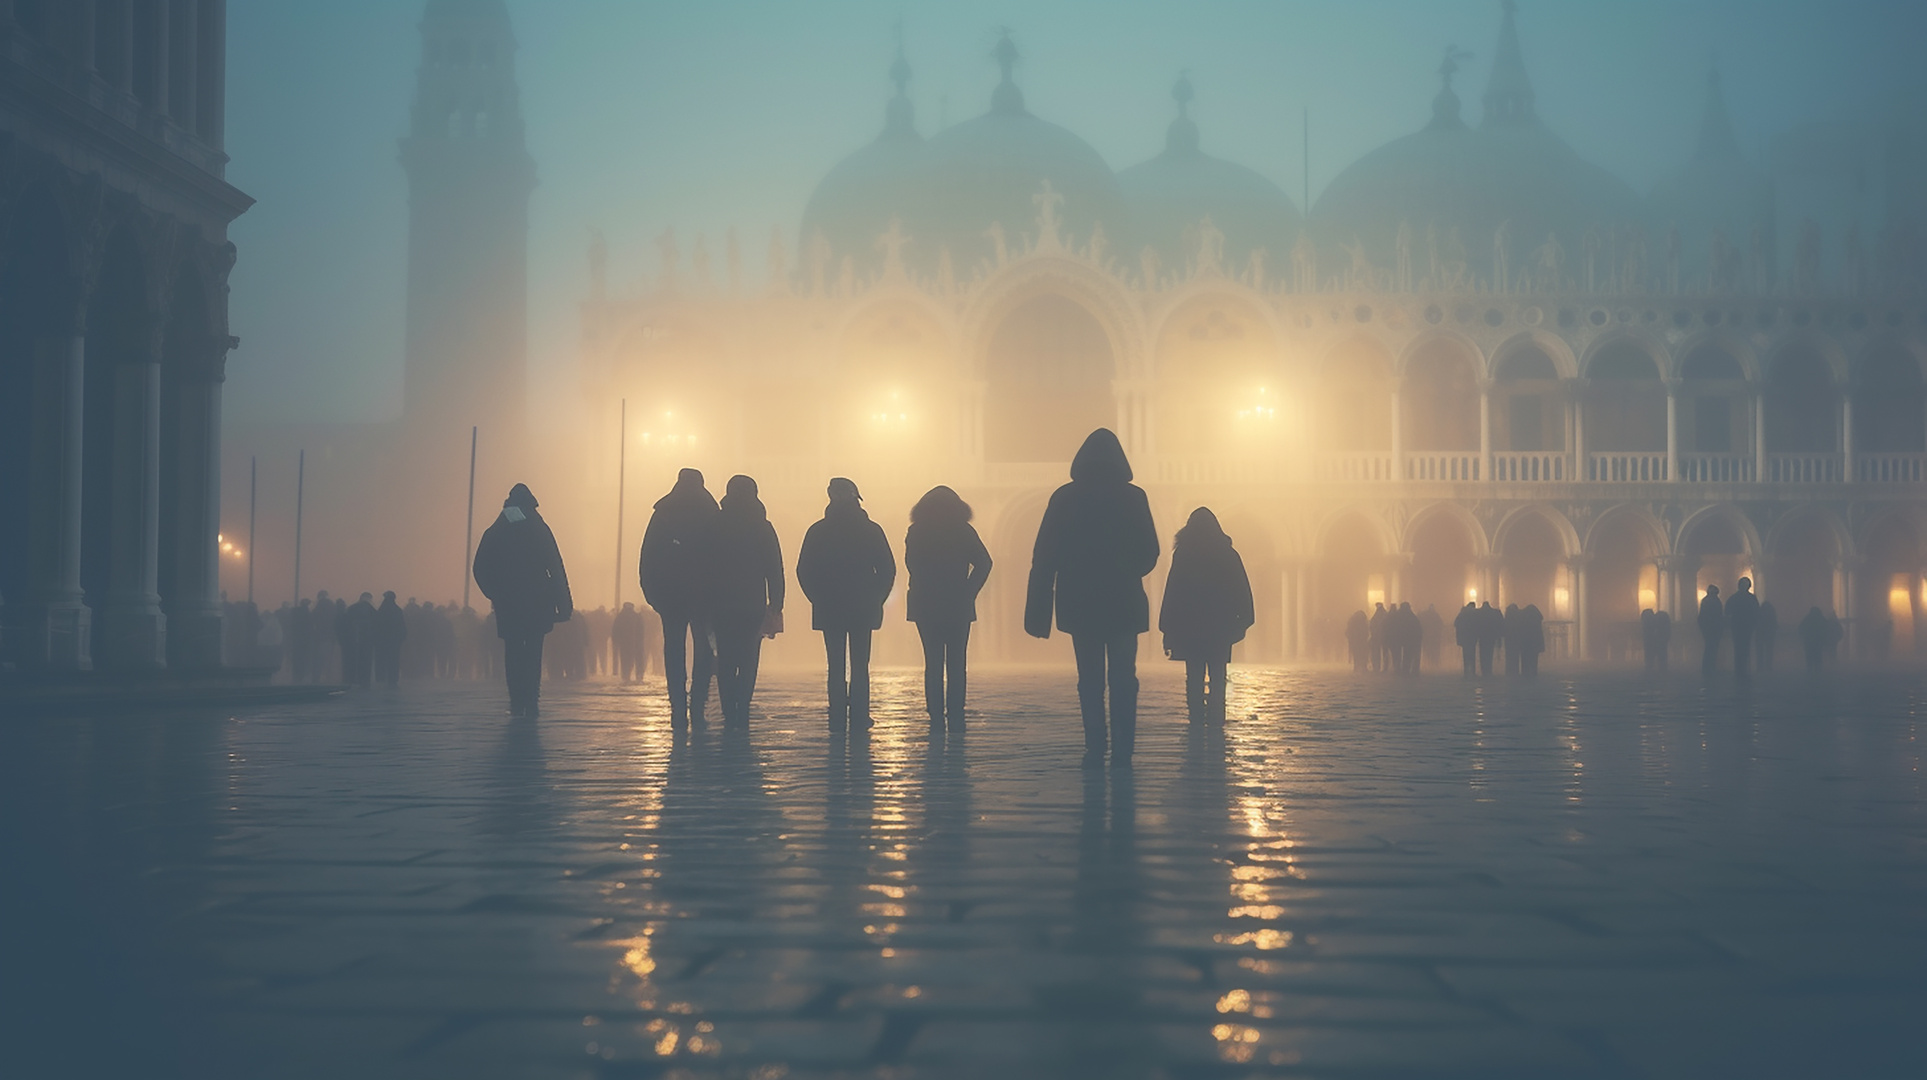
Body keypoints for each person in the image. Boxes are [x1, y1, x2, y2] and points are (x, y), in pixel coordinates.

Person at [1026, 429, 1160, 765]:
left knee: (1089, 679)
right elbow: (1151, 551)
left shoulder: (1065, 498)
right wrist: (1125, 571)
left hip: (1079, 601)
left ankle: (1096, 743)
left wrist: (1040, 607)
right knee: (1124, 677)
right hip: (1123, 601)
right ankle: (1124, 747)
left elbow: (1044, 554)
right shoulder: (1133, 497)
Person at [798, 477, 897, 733]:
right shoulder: (871, 530)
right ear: (856, 498)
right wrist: (877, 599)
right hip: (863, 607)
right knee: (860, 665)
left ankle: (837, 716)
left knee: (835, 665)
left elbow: (804, 571)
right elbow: (887, 570)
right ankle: (861, 716)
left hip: (830, 607)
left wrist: (818, 598)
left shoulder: (817, 530)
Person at [472, 483, 573, 719]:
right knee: (533, 652)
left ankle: (516, 699)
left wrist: (495, 593)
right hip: (537, 600)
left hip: (508, 603)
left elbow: (480, 568)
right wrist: (564, 602)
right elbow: (556, 567)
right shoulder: (538, 528)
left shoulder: (496, 530)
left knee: (513, 651)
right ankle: (531, 699)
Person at [904, 485, 992, 730]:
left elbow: (912, 564)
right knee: (956, 662)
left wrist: (926, 585)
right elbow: (984, 562)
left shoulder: (916, 532)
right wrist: (968, 590)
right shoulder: (963, 531)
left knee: (932, 662)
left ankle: (934, 712)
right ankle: (956, 710)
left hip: (926, 604)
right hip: (957, 603)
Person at [639, 468, 719, 729]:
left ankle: (677, 708)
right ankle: (698, 706)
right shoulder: (712, 513)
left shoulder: (663, 513)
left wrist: (652, 594)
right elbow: (723, 557)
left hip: (669, 595)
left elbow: (647, 557)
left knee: (673, 649)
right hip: (704, 594)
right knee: (704, 649)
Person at [1159, 508, 1254, 722]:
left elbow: (1173, 591)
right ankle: (1216, 716)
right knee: (1218, 673)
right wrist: (1244, 621)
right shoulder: (1228, 554)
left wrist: (1167, 627)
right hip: (1219, 627)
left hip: (1190, 627)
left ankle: (1196, 715)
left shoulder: (1183, 554)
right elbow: (1241, 589)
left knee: (1194, 674)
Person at [708, 475, 785, 726]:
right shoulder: (762, 526)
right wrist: (776, 604)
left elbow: (703, 564)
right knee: (749, 656)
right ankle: (743, 704)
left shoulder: (715, 523)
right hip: (752, 603)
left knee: (726, 658)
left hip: (720, 603)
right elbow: (775, 569)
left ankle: (729, 707)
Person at [1726, 577, 1760, 677]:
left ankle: (1740, 668)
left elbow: (1727, 611)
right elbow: (1756, 612)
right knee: (1744, 647)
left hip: (1738, 626)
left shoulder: (1734, 598)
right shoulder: (1751, 598)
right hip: (1745, 627)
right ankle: (1742, 668)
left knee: (1739, 648)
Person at [373, 591, 407, 688]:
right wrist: (401, 638)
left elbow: (376, 626)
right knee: (393, 660)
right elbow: (402, 626)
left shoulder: (381, 610)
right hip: (394, 641)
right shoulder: (397, 610)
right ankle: (393, 679)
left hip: (382, 640)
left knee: (381, 660)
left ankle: (381, 678)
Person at [342, 592, 377, 688]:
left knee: (353, 659)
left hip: (353, 639)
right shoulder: (371, 610)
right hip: (367, 640)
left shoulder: (352, 608)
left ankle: (351, 678)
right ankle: (364, 679)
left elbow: (346, 623)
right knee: (366, 660)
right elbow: (377, 624)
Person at [612, 602, 645, 682]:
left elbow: (615, 630)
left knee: (626, 660)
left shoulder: (620, 617)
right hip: (635, 643)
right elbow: (641, 630)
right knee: (638, 660)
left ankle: (626, 676)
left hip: (625, 643)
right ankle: (638, 676)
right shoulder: (636, 616)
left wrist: (616, 641)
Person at [1697, 584, 1725, 675]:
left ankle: (1708, 668)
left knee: (1709, 648)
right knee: (1712, 649)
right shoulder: (1715, 601)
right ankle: (1710, 668)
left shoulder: (1705, 601)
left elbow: (1701, 617)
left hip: (1708, 629)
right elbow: (1718, 616)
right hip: (1714, 628)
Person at [1798, 606, 1830, 671]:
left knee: (1809, 655)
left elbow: (1801, 628)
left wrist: (1803, 635)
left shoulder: (1808, 618)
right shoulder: (1821, 618)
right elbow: (1827, 628)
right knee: (1818, 654)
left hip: (1808, 640)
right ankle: (1818, 669)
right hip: (1818, 641)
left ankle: (1810, 669)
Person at [1475, 601, 1502, 675]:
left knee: (1482, 654)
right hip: (1491, 637)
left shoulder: (1478, 613)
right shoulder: (1494, 613)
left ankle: (1484, 670)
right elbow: (1499, 624)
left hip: (1482, 637)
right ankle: (1489, 670)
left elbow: (1475, 625)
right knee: (1489, 653)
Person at [1519, 604, 1545, 675]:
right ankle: (1533, 672)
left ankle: (1525, 672)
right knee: (1534, 659)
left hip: (1525, 642)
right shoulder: (1537, 620)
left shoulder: (1523, 619)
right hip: (1535, 643)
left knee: (1525, 658)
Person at [1454, 602, 1478, 675]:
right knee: (1472, 655)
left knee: (1466, 655)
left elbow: (1456, 623)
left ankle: (1466, 672)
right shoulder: (1474, 614)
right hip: (1472, 637)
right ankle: (1473, 672)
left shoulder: (1462, 613)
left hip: (1464, 637)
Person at [1756, 600, 1779, 672]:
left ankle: (1760, 666)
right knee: (1769, 650)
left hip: (1761, 632)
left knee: (1760, 650)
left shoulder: (1760, 611)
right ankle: (1768, 666)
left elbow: (1757, 621)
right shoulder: (1771, 612)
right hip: (1770, 633)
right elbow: (1774, 622)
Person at [1420, 604, 1444, 668]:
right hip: (1434, 637)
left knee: (1429, 650)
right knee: (1434, 651)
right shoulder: (1436, 615)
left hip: (1429, 637)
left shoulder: (1425, 616)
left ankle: (1429, 662)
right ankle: (1434, 662)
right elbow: (1440, 624)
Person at [1367, 602, 1388, 673]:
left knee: (1377, 652)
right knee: (1384, 652)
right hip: (1384, 637)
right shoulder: (1386, 615)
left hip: (1377, 637)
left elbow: (1372, 625)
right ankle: (1385, 667)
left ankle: (1377, 666)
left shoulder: (1376, 616)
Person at [1502, 603, 1523, 675]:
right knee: (1515, 655)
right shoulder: (1518, 618)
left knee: (1509, 655)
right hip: (1516, 638)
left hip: (1509, 639)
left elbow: (1504, 628)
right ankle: (1515, 670)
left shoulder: (1507, 618)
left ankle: (1509, 670)